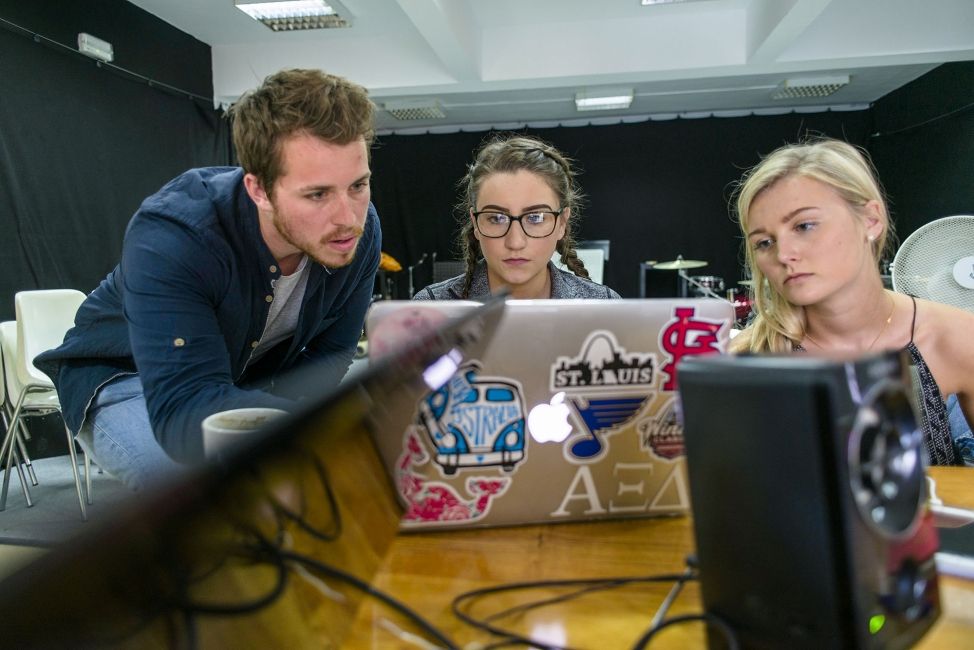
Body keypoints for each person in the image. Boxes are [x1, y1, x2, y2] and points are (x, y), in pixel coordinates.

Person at [35, 69, 382, 490]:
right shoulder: (173, 237)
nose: (348, 218)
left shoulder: (358, 232)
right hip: (124, 377)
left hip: (230, 380)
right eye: (317, 194)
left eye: (358, 185)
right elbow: (183, 412)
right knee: (199, 493)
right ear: (258, 190)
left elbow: (331, 354)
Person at [729, 137, 974, 466]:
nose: (784, 254)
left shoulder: (956, 335)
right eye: (764, 242)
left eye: (804, 226)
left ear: (871, 220)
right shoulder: (749, 358)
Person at [413, 134, 620, 300]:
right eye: (496, 218)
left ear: (562, 223)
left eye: (536, 218)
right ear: (475, 223)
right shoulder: (431, 310)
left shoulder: (607, 308)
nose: (515, 242)